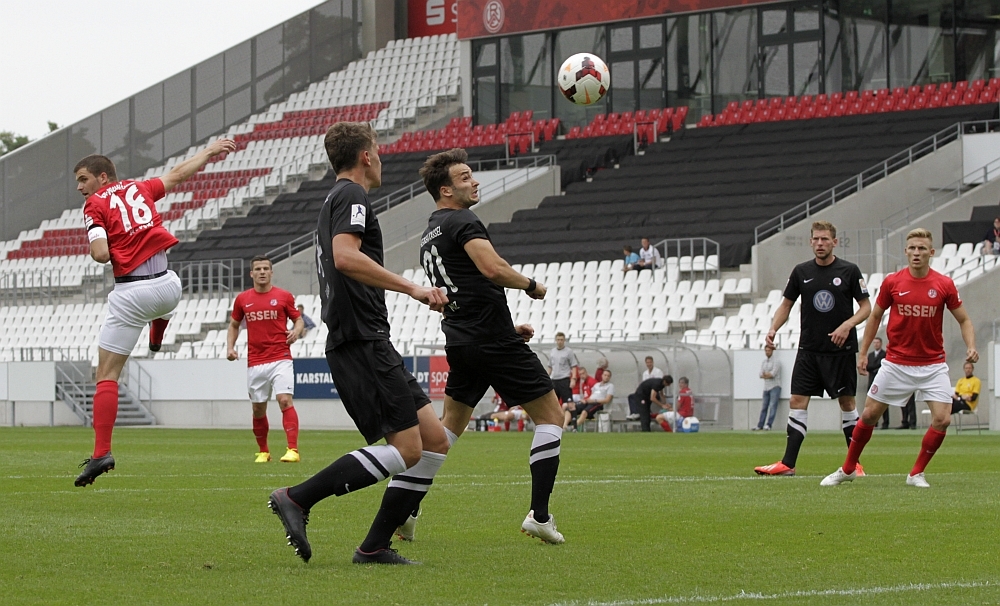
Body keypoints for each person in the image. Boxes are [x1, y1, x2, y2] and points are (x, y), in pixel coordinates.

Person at [267, 122, 451, 565]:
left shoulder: (336, 198)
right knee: (407, 449)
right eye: (379, 150)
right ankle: (297, 497)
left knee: (433, 440)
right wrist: (413, 289)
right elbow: (346, 257)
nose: (382, 157)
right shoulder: (351, 195)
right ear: (366, 156)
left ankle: (374, 545)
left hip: (367, 337)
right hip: (360, 338)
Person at [417, 147, 566, 543]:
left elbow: (462, 291)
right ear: (446, 190)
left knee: (448, 429)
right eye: (465, 177)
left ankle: (407, 507)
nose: (474, 180)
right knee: (552, 417)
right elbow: (492, 269)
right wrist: (531, 286)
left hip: (464, 341)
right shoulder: (462, 220)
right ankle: (540, 514)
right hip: (489, 341)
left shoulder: (429, 234)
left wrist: (505, 325)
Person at [72, 138, 236, 487]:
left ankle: (101, 452)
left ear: (103, 178)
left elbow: (101, 254)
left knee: (106, 374)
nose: (80, 188)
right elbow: (177, 175)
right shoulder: (139, 188)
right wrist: (209, 152)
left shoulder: (94, 205)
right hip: (169, 287)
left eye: (83, 179)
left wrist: (106, 246)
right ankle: (157, 334)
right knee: (161, 301)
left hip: (133, 292)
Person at [821, 228, 979, 488]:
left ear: (931, 252)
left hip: (932, 365)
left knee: (943, 419)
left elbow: (964, 319)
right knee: (869, 415)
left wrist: (971, 346)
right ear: (906, 251)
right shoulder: (893, 282)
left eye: (922, 249)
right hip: (896, 363)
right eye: (912, 248)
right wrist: (863, 353)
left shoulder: (944, 284)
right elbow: (874, 317)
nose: (916, 253)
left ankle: (916, 473)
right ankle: (848, 468)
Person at [754, 220, 872, 477]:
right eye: (816, 240)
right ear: (811, 242)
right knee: (797, 400)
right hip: (809, 349)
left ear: (834, 242)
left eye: (825, 240)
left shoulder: (850, 271)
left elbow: (866, 308)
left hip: (840, 351)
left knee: (847, 403)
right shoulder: (800, 272)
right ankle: (787, 464)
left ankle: (854, 463)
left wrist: (847, 326)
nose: (820, 244)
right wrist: (773, 329)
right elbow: (786, 305)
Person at [227, 255, 305, 463]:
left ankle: (293, 450)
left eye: (265, 269)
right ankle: (263, 451)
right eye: (258, 269)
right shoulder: (242, 299)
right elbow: (234, 325)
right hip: (256, 361)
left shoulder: (284, 296)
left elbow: (298, 320)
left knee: (284, 400)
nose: (262, 272)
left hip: (281, 357)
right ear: (251, 273)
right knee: (258, 408)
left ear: (271, 272)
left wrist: (296, 332)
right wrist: (230, 348)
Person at [754, 344, 781, 431]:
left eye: (769, 350)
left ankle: (769, 425)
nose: (767, 352)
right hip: (766, 387)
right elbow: (760, 374)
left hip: (774, 386)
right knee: (764, 407)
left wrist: (766, 374)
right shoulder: (764, 362)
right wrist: (766, 375)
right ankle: (760, 424)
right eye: (766, 350)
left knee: (772, 406)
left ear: (772, 351)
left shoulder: (776, 361)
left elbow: (773, 374)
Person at [548, 332, 578, 405]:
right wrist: (547, 378)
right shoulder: (552, 351)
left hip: (564, 379)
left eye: (561, 340)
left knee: (568, 403)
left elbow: (574, 366)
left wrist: (573, 379)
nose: (560, 341)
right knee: (553, 403)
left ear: (564, 340)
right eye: (558, 339)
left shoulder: (569, 351)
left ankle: (571, 416)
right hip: (554, 380)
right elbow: (550, 367)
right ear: (556, 340)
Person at [866, 338, 888, 429]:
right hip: (872, 381)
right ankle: (874, 423)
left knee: (883, 402)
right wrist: (875, 367)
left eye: (877, 342)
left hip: (882, 381)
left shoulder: (885, 354)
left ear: (881, 343)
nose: (876, 344)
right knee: (872, 403)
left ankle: (885, 423)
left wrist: (874, 368)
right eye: (874, 343)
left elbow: (882, 365)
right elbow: (868, 367)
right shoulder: (870, 355)